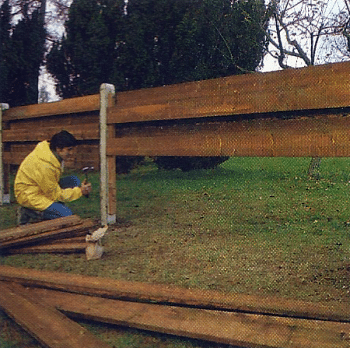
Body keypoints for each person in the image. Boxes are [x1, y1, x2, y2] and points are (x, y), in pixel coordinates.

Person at [14, 130, 92, 225]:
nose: (72, 153)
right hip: (29, 195)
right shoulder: (45, 166)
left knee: (74, 181)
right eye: (69, 149)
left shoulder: (50, 154)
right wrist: (80, 191)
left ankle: (53, 209)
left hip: (41, 188)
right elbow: (55, 195)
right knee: (67, 216)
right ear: (59, 149)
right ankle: (29, 211)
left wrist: (79, 189)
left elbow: (52, 186)